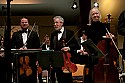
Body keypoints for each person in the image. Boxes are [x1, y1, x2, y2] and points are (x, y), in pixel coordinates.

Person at [84, 7, 118, 83]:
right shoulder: (88, 28)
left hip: (105, 56)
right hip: (94, 55)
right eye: (93, 14)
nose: (95, 15)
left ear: (99, 15)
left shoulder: (104, 26)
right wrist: (103, 37)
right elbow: (91, 39)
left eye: (97, 13)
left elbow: (109, 42)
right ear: (91, 16)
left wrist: (111, 37)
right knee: (91, 76)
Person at [11, 17, 40, 83]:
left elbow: (37, 47)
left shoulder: (34, 34)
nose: (24, 24)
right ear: (20, 24)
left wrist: (37, 59)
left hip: (31, 60)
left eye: (25, 22)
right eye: (22, 22)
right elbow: (12, 46)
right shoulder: (15, 34)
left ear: (28, 24)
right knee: (20, 78)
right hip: (19, 60)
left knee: (32, 78)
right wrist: (19, 49)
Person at [50, 16, 78, 83]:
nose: (55, 25)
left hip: (66, 61)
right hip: (56, 62)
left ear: (62, 23)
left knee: (67, 80)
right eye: (54, 23)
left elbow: (76, 45)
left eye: (57, 22)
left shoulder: (70, 33)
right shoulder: (53, 34)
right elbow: (52, 48)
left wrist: (68, 48)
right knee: (58, 79)